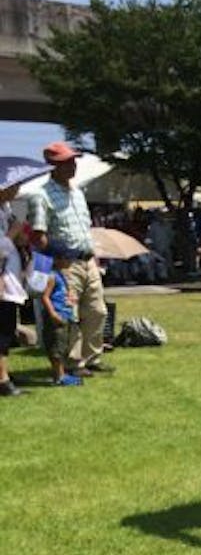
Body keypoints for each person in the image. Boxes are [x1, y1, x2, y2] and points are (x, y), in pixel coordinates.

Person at [29, 142, 114, 376]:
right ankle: (74, 362)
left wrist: (94, 256)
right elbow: (38, 235)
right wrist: (57, 259)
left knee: (98, 311)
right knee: (71, 313)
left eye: (73, 161)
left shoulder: (77, 193)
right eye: (67, 162)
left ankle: (92, 357)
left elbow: (84, 229)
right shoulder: (41, 196)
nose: (73, 165)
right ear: (54, 166)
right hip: (65, 263)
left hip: (87, 260)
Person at [41, 247, 83, 387]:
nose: (71, 261)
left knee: (63, 346)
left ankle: (61, 374)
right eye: (67, 258)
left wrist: (70, 300)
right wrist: (53, 314)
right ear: (57, 259)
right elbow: (45, 297)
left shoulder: (61, 274)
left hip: (65, 315)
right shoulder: (51, 276)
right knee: (56, 347)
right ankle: (59, 376)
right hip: (56, 317)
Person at [0, 184, 27, 396]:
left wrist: (19, 235)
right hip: (2, 280)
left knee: (7, 329)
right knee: (2, 331)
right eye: (13, 186)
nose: (17, 190)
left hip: (10, 279)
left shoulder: (6, 208)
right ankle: (3, 381)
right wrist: (12, 232)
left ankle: (4, 373)